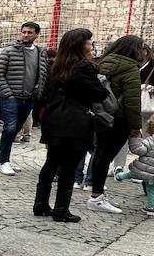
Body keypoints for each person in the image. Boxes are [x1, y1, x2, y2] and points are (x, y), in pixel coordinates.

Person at [35, 28, 108, 223]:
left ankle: (40, 204)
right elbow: (99, 94)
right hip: (75, 120)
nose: (91, 45)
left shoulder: (57, 65)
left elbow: (45, 94)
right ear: (80, 45)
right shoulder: (84, 66)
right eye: (89, 42)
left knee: (51, 162)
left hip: (55, 118)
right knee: (69, 165)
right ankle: (61, 209)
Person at [86, 35, 147, 215]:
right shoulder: (130, 69)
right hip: (119, 120)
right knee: (105, 157)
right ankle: (96, 197)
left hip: (101, 115)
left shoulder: (102, 63)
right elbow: (132, 101)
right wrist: (136, 126)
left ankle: (96, 190)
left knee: (99, 155)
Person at [0, 22, 49, 175]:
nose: (26, 35)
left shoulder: (40, 53)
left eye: (29, 32)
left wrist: (38, 91)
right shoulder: (9, 51)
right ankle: (4, 161)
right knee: (10, 128)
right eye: (24, 32)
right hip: (11, 97)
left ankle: (2, 158)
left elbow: (43, 74)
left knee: (16, 129)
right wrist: (7, 93)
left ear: (36, 34)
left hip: (29, 97)